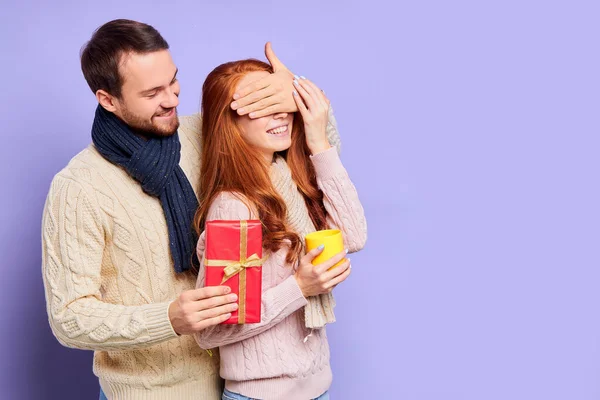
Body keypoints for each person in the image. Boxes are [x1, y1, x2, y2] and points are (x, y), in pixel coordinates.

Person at [41, 19, 342, 399]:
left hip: (243, 381)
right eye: (152, 93)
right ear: (108, 99)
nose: (171, 99)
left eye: (173, 81)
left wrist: (297, 93)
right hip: (150, 392)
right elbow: (69, 318)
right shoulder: (79, 187)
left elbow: (312, 157)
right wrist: (168, 318)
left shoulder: (203, 135)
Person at [193, 59, 367, 400]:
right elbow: (213, 329)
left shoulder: (292, 177)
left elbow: (354, 236)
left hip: (319, 388)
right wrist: (299, 288)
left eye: (282, 103)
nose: (281, 114)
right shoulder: (234, 206)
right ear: (229, 122)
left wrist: (317, 138)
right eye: (262, 104)